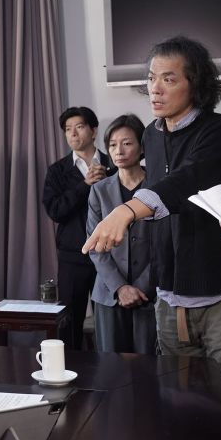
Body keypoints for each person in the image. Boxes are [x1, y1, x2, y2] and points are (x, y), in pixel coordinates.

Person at [84, 37, 221, 440]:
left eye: (169, 78)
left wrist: (128, 209)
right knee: (184, 418)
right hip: (171, 303)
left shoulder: (220, 131)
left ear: (197, 84)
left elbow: (191, 181)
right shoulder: (151, 134)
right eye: (151, 78)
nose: (156, 88)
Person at [86, 114, 155, 354]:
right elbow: (95, 246)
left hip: (151, 294)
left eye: (127, 143)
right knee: (111, 369)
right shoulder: (99, 191)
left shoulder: (159, 187)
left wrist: (142, 286)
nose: (119, 151)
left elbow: (165, 245)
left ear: (142, 147)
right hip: (108, 294)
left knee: (151, 370)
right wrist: (120, 288)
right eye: (113, 145)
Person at [43, 106, 110, 350]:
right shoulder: (58, 171)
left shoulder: (113, 163)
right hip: (73, 256)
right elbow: (56, 211)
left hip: (110, 255)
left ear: (93, 131)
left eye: (79, 127)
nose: (73, 134)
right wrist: (84, 185)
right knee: (69, 323)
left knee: (112, 322)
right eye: (67, 130)